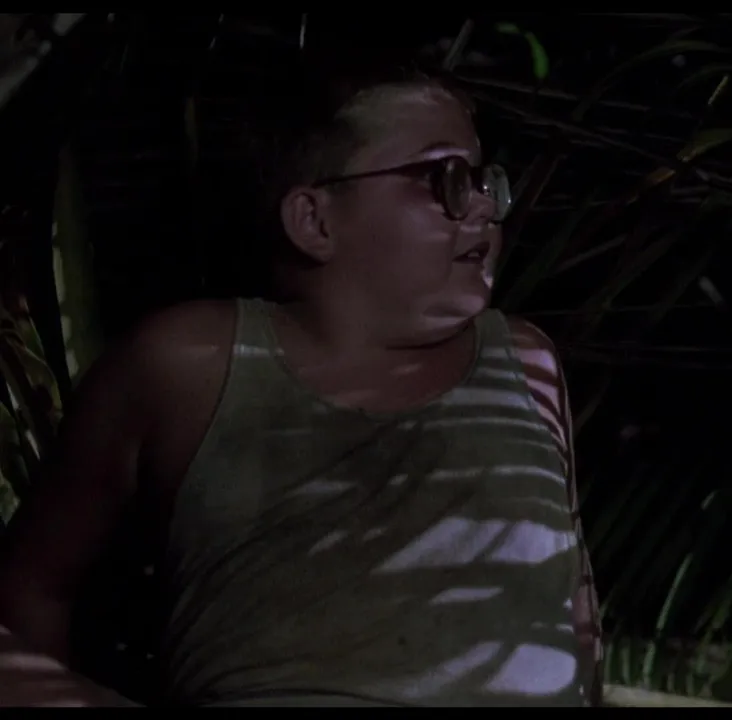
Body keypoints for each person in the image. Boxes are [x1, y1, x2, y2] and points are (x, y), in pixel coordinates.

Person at [0, 52, 601, 707]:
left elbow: (574, 606)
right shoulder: (191, 363)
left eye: (484, 180)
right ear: (314, 220)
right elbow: (33, 587)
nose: (483, 206)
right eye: (445, 178)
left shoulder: (525, 364)